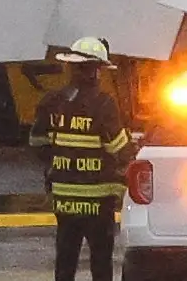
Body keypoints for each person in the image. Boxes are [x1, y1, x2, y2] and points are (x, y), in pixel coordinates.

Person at [27, 37, 131, 281]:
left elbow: (37, 144)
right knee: (101, 261)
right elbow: (119, 149)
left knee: (65, 259)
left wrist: (61, 161)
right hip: (98, 199)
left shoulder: (51, 101)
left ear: (71, 67)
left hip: (63, 198)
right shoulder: (103, 104)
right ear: (96, 70)